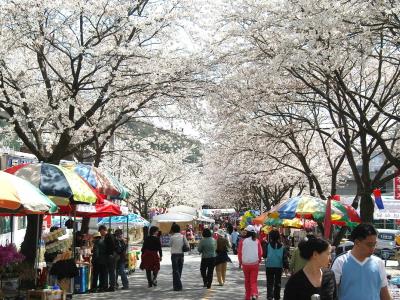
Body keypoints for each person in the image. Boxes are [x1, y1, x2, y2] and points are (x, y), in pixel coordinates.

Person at [331, 223, 391, 300]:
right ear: (357, 242)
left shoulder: (379, 263)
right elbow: (332, 293)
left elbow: (385, 294)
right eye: (369, 245)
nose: (373, 248)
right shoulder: (340, 262)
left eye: (374, 244)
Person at [283, 235, 337, 300]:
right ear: (315, 254)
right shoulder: (295, 282)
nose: (330, 258)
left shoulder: (330, 276)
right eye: (328, 254)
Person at [238, 225, 263, 300]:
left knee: (247, 281)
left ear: (247, 232)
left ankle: (247, 297)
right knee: (253, 281)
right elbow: (260, 253)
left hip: (245, 264)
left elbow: (240, 253)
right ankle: (254, 294)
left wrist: (240, 262)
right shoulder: (257, 241)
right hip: (254, 264)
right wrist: (259, 261)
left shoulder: (242, 241)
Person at [264, 229, 289, 300]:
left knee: (269, 282)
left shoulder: (268, 245)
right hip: (278, 267)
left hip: (269, 266)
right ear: (278, 237)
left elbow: (264, 255)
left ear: (271, 237)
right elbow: (284, 258)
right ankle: (277, 296)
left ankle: (269, 296)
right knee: (278, 282)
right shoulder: (282, 246)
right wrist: (286, 267)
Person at [169, 223, 189, 291]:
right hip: (181, 255)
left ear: (173, 230)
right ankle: (176, 285)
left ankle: (178, 286)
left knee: (175, 271)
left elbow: (169, 244)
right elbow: (187, 244)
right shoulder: (183, 236)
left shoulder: (172, 237)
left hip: (174, 255)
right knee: (179, 270)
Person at [104, 227, 116, 292]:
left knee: (108, 271)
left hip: (109, 256)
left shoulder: (108, 236)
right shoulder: (112, 236)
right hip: (112, 255)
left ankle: (108, 286)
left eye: (101, 231)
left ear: (103, 230)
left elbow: (108, 246)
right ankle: (112, 286)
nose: (101, 233)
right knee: (112, 272)